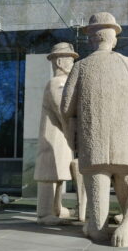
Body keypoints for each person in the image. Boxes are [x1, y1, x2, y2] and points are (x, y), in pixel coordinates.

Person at [61, 12, 128, 240]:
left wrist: (71, 137)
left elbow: (66, 108)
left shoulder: (81, 67)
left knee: (97, 190)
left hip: (94, 146)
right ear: (113, 39)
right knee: (127, 193)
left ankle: (99, 230)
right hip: (126, 146)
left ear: (92, 39)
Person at [34, 42, 79, 225]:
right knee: (50, 175)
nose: (72, 63)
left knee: (58, 175)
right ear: (60, 61)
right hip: (53, 138)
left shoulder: (62, 83)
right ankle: (44, 213)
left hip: (60, 138)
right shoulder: (56, 83)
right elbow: (64, 110)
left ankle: (56, 209)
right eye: (70, 59)